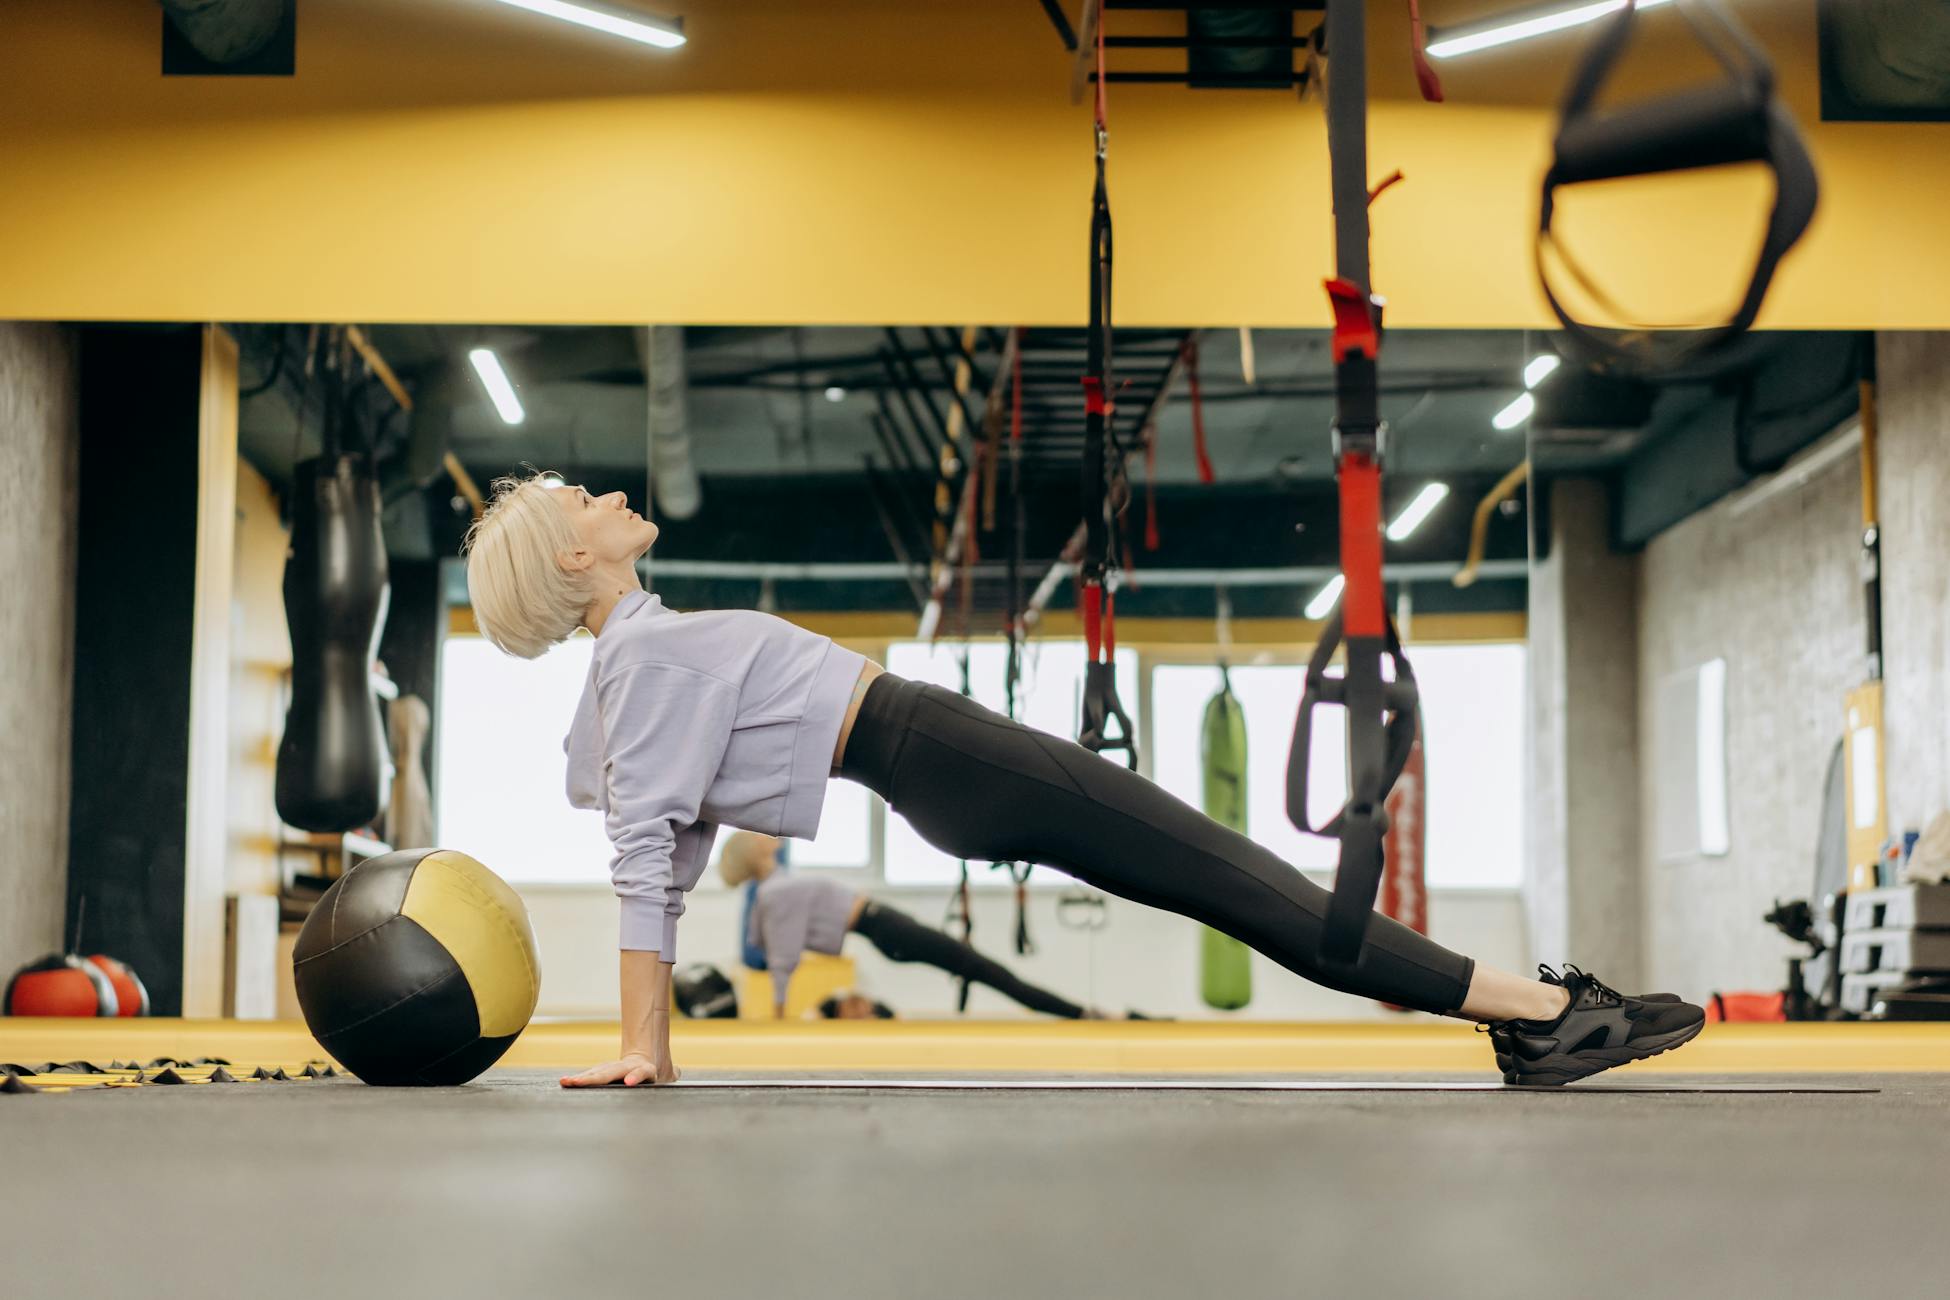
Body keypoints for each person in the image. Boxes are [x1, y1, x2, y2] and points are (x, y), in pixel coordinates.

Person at [460, 472, 1704, 1089]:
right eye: (587, 496)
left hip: (939, 762)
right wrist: (643, 1044)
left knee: (1244, 889)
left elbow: (660, 842)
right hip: (937, 753)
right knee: (1254, 884)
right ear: (573, 552)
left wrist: (654, 1046)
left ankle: (1527, 1014)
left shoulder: (644, 658)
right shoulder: (650, 657)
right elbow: (646, 853)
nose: (611, 492)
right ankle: (1537, 1016)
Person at [716, 830, 1106, 1020]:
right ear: (754, 852)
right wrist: (780, 1017)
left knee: (984, 970)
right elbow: (782, 955)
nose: (768, 833)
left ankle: (1078, 1012)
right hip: (885, 929)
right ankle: (1080, 1014)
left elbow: (763, 939)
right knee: (985, 970)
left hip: (885, 928)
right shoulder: (775, 892)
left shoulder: (777, 885)